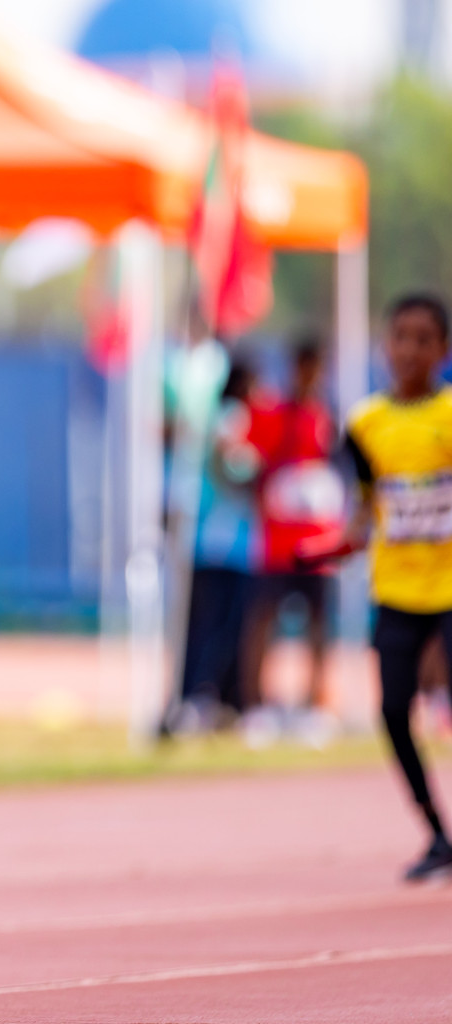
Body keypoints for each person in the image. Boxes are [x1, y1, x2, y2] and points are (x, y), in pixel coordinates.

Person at [307, 292, 452, 881]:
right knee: (394, 710)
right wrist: (340, 541)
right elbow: (366, 509)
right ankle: (437, 834)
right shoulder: (365, 424)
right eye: (401, 337)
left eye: (425, 339)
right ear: (384, 346)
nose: (411, 350)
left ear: (443, 350)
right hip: (395, 588)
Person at [240, 338, 346, 744]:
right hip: (277, 543)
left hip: (318, 543)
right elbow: (249, 467)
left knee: (319, 625)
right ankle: (258, 707)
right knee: (263, 620)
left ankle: (314, 705)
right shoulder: (271, 415)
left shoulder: (328, 419)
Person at [175, 357, 261, 727]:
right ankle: (200, 696)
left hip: (223, 540)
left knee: (220, 626)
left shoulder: (219, 417)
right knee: (217, 625)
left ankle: (216, 697)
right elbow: (233, 468)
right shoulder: (232, 416)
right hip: (222, 541)